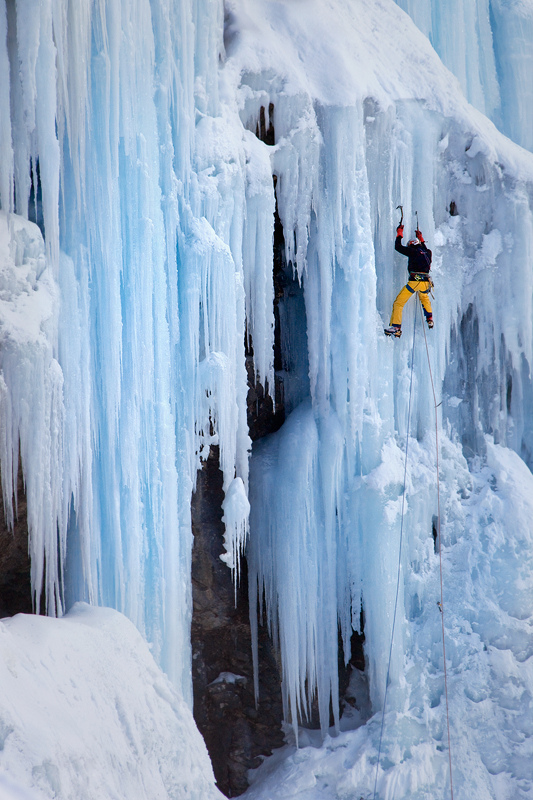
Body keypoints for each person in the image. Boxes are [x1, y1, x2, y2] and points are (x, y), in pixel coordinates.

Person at [384, 224, 433, 338]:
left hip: (414, 282)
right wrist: (421, 237)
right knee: (424, 298)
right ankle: (430, 318)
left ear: (411, 245)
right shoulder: (428, 252)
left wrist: (399, 233)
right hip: (426, 283)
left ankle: (396, 327)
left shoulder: (412, 252)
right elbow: (424, 247)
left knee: (398, 303)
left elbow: (398, 247)